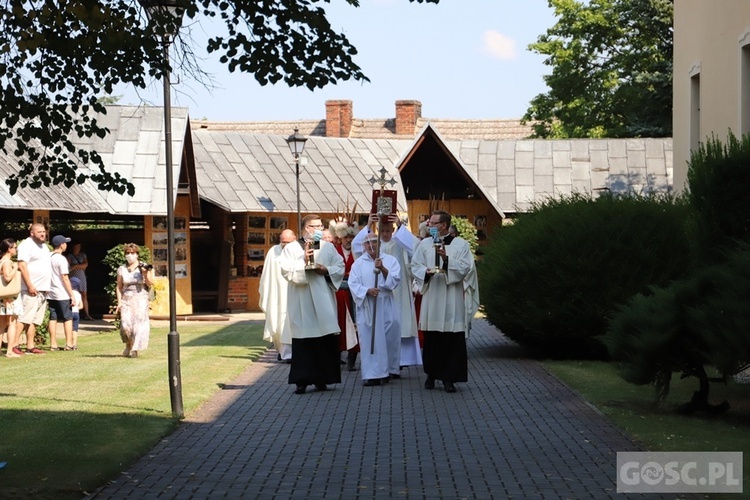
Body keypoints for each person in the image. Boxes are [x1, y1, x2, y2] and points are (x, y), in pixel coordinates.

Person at [411, 210, 479, 393]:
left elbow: (466, 268)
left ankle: (449, 378)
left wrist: (446, 260)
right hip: (433, 295)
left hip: (451, 297)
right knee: (433, 340)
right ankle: (431, 375)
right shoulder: (424, 244)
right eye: (429, 223)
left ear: (443, 225)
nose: (429, 226)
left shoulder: (460, 245)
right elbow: (415, 265)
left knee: (451, 339)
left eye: (433, 223)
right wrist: (425, 272)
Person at [279, 214, 345, 395]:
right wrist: (303, 261)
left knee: (323, 340)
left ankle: (322, 379)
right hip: (302, 300)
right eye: (314, 226)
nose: (318, 229)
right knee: (304, 340)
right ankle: (301, 381)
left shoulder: (328, 248)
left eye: (320, 226)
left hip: (323, 299)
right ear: (306, 228)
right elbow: (285, 270)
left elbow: (340, 267)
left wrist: (325, 270)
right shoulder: (292, 248)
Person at [353, 213, 422, 377]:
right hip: (372, 300)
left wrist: (400, 227)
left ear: (392, 230)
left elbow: (417, 247)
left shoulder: (400, 242)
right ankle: (376, 370)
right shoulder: (368, 249)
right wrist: (368, 226)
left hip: (394, 295)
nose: (384, 234)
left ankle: (393, 366)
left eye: (388, 230)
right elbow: (357, 246)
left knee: (393, 332)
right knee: (374, 336)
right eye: (381, 231)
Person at [348, 233, 402, 386]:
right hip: (368, 304)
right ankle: (372, 374)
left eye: (374, 242)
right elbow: (353, 283)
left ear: (379, 243)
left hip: (386, 302)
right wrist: (366, 291)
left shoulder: (390, 260)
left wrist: (383, 269)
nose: (371, 245)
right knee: (371, 339)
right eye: (367, 243)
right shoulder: (358, 264)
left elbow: (395, 280)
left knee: (389, 336)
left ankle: (389, 369)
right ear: (363, 246)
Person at [258, 228, 296, 362]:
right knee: (278, 321)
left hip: (293, 292)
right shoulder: (273, 252)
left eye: (288, 242)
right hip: (277, 294)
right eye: (283, 242)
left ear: (294, 240)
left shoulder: (298, 251)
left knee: (291, 323)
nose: (285, 245)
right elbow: (267, 275)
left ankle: (289, 353)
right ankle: (282, 351)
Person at [14, 223, 51, 355]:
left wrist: (47, 286)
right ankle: (14, 344)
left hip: (42, 289)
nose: (43, 234)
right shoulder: (26, 245)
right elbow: (22, 266)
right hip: (30, 289)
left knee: (35, 320)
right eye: (39, 232)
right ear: (32, 233)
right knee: (24, 318)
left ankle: (30, 345)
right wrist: (29, 285)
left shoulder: (44, 247)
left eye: (44, 231)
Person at [329, 219, 359, 371]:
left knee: (355, 325)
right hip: (338, 292)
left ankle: (352, 360)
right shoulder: (334, 251)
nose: (349, 240)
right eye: (346, 237)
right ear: (340, 237)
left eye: (351, 237)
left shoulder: (359, 253)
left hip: (354, 293)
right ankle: (336, 357)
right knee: (338, 324)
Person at [116, 243, 154, 358]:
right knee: (125, 324)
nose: (130, 255)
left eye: (132, 253)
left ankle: (135, 348)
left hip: (140, 298)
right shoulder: (122, 269)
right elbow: (119, 286)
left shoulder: (144, 266)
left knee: (138, 324)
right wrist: (119, 302)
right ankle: (128, 344)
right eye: (128, 253)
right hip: (126, 299)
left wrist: (145, 274)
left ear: (137, 254)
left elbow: (151, 283)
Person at [48, 235, 76, 351]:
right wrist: (72, 295)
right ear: (61, 245)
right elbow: (64, 277)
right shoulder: (61, 259)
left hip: (50, 292)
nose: (66, 245)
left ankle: (53, 344)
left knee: (52, 317)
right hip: (62, 292)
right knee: (67, 317)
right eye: (65, 243)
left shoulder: (48, 257)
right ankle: (69, 343)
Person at [0, 238, 23, 358]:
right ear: (9, 249)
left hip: (3, 297)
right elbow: (7, 277)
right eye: (14, 247)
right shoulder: (7, 262)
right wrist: (15, 267)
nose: (16, 249)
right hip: (9, 297)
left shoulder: (1, 261)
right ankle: (9, 351)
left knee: (2, 324)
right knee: (12, 322)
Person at [67, 242, 93, 320]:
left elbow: (85, 265)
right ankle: (72, 313)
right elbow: (69, 267)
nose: (78, 247)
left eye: (79, 246)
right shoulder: (70, 256)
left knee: (84, 294)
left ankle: (87, 314)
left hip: (82, 276)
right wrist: (79, 266)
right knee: (73, 294)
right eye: (77, 246)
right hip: (73, 276)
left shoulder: (83, 255)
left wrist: (75, 266)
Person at [69, 277, 83, 350]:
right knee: (75, 329)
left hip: (70, 312)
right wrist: (76, 308)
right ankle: (74, 345)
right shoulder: (78, 294)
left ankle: (69, 343)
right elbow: (81, 306)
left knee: (69, 328)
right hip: (76, 313)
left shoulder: (69, 293)